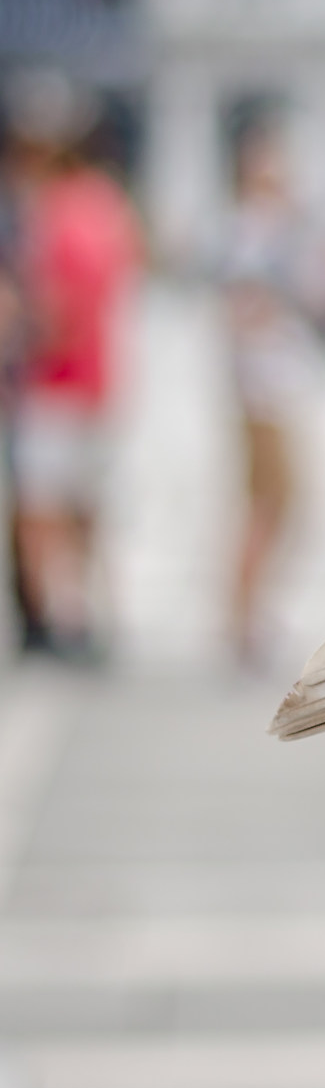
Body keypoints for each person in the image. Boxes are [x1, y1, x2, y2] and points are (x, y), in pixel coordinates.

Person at [6, 77, 142, 663]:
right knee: (88, 510)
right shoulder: (111, 206)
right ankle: (91, 614)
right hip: (100, 380)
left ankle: (56, 623)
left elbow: (47, 307)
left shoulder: (47, 212)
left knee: (41, 513)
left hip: (51, 382)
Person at [217, 118, 325, 670]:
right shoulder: (250, 232)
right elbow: (241, 310)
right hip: (265, 389)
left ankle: (251, 612)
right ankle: (243, 616)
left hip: (278, 385)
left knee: (278, 504)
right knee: (276, 503)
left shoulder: (275, 231)